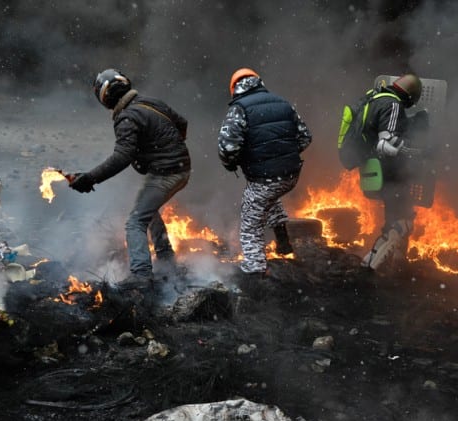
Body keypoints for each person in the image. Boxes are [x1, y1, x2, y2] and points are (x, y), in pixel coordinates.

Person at [69, 69, 191, 288]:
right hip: (179, 168)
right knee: (148, 210)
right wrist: (168, 148)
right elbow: (182, 123)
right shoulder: (150, 102)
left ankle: (141, 275)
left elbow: (122, 157)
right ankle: (166, 260)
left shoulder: (126, 117)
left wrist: (89, 179)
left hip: (167, 174)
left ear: (104, 96)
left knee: (135, 222)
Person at [218, 67, 312, 278]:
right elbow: (305, 137)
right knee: (269, 198)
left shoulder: (239, 109)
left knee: (250, 223)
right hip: (290, 175)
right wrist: (283, 155)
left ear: (234, 88)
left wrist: (232, 164)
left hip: (264, 177)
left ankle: (255, 273)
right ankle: (284, 243)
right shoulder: (282, 103)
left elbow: (227, 148)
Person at [359, 73, 428, 271]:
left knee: (393, 220)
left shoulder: (376, 98)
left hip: (379, 172)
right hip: (391, 173)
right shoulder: (393, 104)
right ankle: (372, 266)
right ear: (409, 95)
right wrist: (419, 151)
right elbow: (386, 143)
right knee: (403, 222)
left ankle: (373, 263)